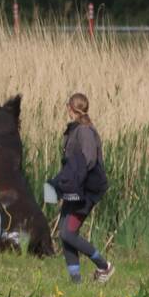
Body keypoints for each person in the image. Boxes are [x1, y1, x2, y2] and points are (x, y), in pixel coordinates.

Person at [48, 93, 113, 283]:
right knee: (65, 233)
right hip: (75, 188)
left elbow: (89, 159)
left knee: (68, 232)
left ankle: (104, 266)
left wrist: (73, 182)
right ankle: (75, 281)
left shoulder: (84, 131)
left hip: (86, 190)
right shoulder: (75, 129)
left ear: (71, 108)